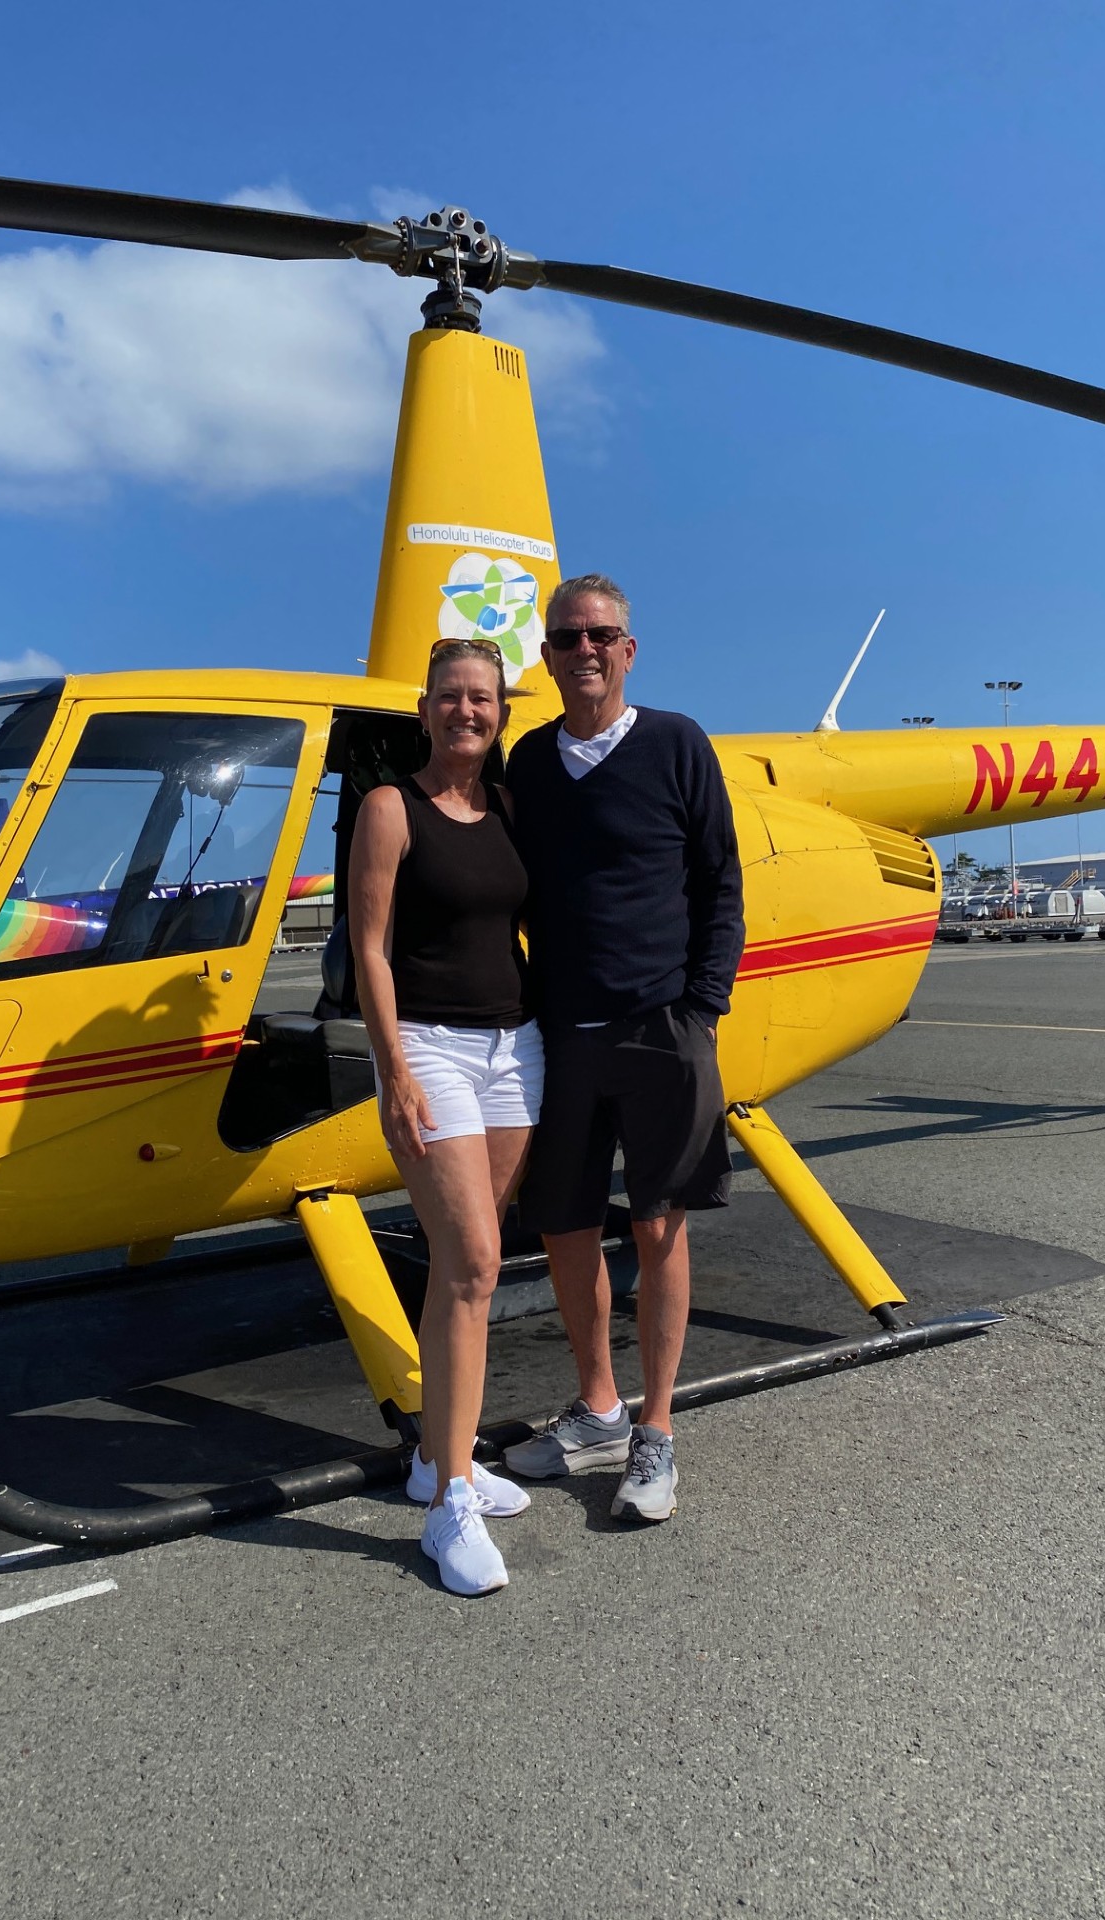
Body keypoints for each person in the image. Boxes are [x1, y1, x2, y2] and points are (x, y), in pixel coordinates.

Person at [502, 574, 743, 1521]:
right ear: (550, 655)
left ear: (628, 651)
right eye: (567, 638)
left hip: (661, 1028)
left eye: (602, 635)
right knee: (563, 1223)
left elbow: (719, 879)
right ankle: (598, 1406)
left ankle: (657, 1430)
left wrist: (702, 1009)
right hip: (561, 1031)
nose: (585, 650)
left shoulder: (677, 742)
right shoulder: (527, 762)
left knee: (658, 1222)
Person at [349, 638, 544, 1597]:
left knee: (472, 1262)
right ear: (424, 711)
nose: (469, 711)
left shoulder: (507, 808)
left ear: (500, 711)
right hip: (431, 1046)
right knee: (471, 1263)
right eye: (451, 697)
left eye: (484, 698)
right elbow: (370, 947)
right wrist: (394, 1069)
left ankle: (440, 1452)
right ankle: (448, 1505)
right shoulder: (391, 808)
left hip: (516, 1049)